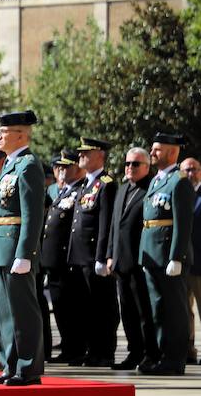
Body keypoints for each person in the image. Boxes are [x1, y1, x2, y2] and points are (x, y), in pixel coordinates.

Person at [0, 111, 46, 386]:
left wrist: (25, 253)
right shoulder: (10, 166)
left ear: (21, 135)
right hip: (0, 247)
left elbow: (32, 215)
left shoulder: (28, 165)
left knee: (23, 312)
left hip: (15, 249)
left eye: (4, 132)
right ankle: (10, 364)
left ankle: (28, 367)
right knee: (5, 315)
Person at [137, 131, 195, 375]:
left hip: (169, 254)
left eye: (157, 150)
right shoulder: (156, 180)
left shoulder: (179, 181)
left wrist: (176, 257)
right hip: (152, 253)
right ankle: (163, 356)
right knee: (158, 308)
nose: (152, 153)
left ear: (172, 152)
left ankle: (175, 359)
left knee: (175, 309)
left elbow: (183, 223)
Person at [68, 138, 119, 366]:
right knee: (85, 307)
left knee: (102, 307)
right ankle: (92, 350)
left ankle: (104, 351)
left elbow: (105, 223)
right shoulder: (85, 185)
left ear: (99, 155)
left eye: (86, 153)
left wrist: (101, 256)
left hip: (93, 256)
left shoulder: (106, 183)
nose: (81, 156)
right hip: (80, 256)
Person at [107, 147, 157, 370]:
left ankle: (151, 353)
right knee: (127, 312)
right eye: (127, 163)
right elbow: (114, 226)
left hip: (140, 261)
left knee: (144, 312)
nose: (129, 167)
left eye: (135, 164)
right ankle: (134, 352)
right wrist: (109, 254)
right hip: (121, 262)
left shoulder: (151, 188)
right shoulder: (123, 188)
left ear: (147, 166)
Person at [42, 153, 87, 364]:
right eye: (58, 167)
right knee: (60, 307)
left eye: (66, 167)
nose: (60, 171)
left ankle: (76, 348)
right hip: (53, 260)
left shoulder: (80, 191)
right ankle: (69, 347)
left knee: (73, 308)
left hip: (66, 260)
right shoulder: (62, 192)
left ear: (78, 168)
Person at [182, 157, 201, 364]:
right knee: (185, 311)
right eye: (186, 170)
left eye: (194, 169)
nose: (190, 173)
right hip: (184, 262)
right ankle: (189, 351)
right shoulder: (179, 192)